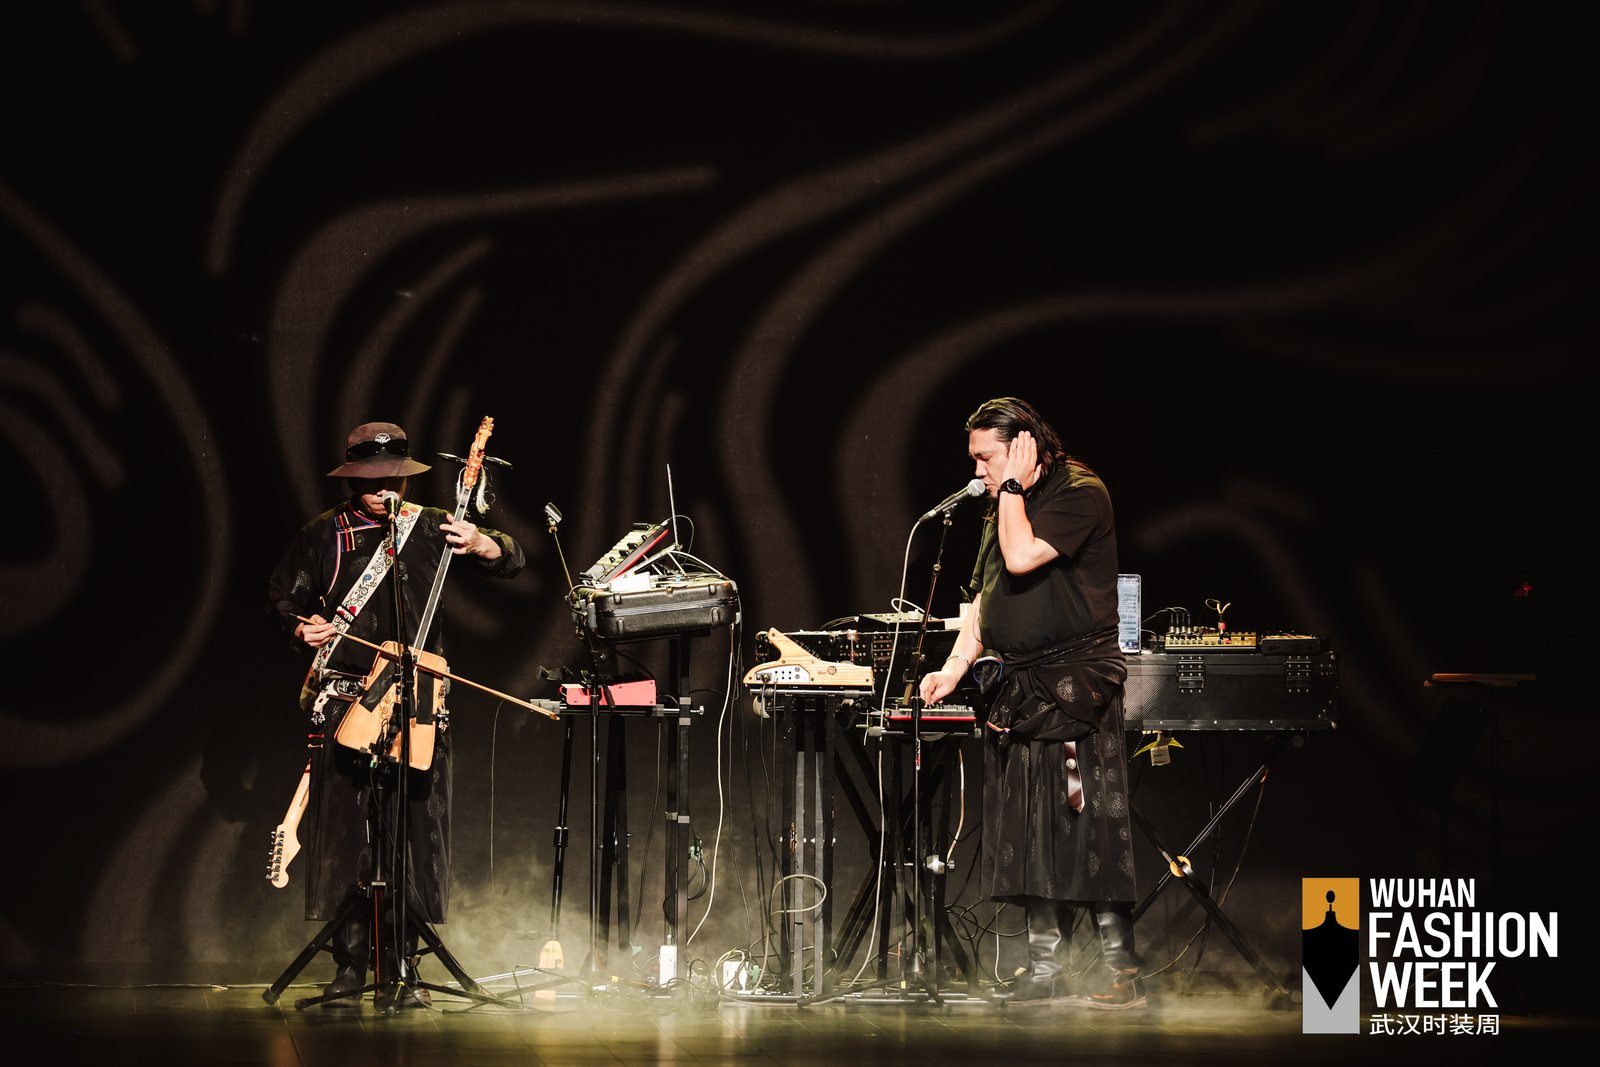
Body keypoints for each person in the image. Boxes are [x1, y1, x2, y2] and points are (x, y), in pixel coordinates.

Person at [267, 421, 526, 1008]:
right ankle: (350, 966)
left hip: (417, 702)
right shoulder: (323, 534)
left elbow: (512, 558)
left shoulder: (430, 525)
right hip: (350, 702)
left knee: (414, 833)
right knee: (349, 836)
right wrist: (302, 627)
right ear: (352, 480)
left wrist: (485, 544)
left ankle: (406, 964)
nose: (385, 490)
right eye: (372, 481)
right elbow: (282, 598)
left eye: (394, 480)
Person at [919, 397, 1142, 1009]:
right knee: (1029, 831)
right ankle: (1047, 971)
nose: (978, 471)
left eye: (986, 458)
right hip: (1019, 689)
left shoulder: (1080, 493)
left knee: (1087, 827)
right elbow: (985, 601)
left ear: (1023, 447)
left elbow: (1022, 560)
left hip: (1074, 689)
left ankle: (1123, 972)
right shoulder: (1003, 507)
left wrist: (1012, 487)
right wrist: (952, 667)